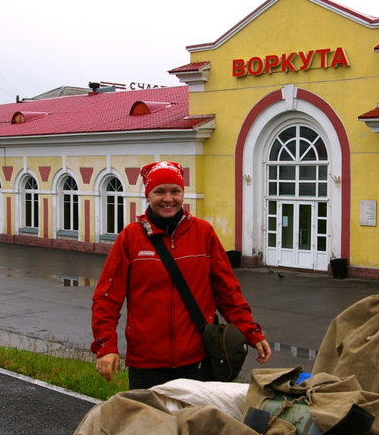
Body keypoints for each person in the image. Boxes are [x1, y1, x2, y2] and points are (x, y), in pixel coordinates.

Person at [91, 161, 272, 389]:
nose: (168, 199)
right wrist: (105, 347)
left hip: (197, 361)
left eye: (175, 191)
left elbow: (228, 293)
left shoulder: (203, 233)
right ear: (148, 195)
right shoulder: (131, 238)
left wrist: (252, 332)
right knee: (151, 424)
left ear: (183, 194)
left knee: (194, 424)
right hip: (147, 365)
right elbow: (107, 298)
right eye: (159, 192)